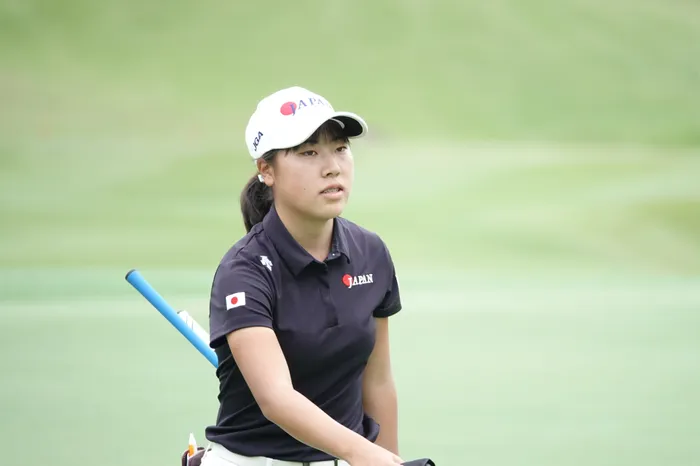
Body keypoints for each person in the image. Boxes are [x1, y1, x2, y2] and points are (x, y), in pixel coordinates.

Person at [201, 86, 404, 466]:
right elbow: (276, 399)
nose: (332, 167)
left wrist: (390, 459)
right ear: (266, 170)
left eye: (340, 148)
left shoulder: (370, 252)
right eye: (309, 152)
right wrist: (362, 453)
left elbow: (377, 381)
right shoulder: (243, 271)